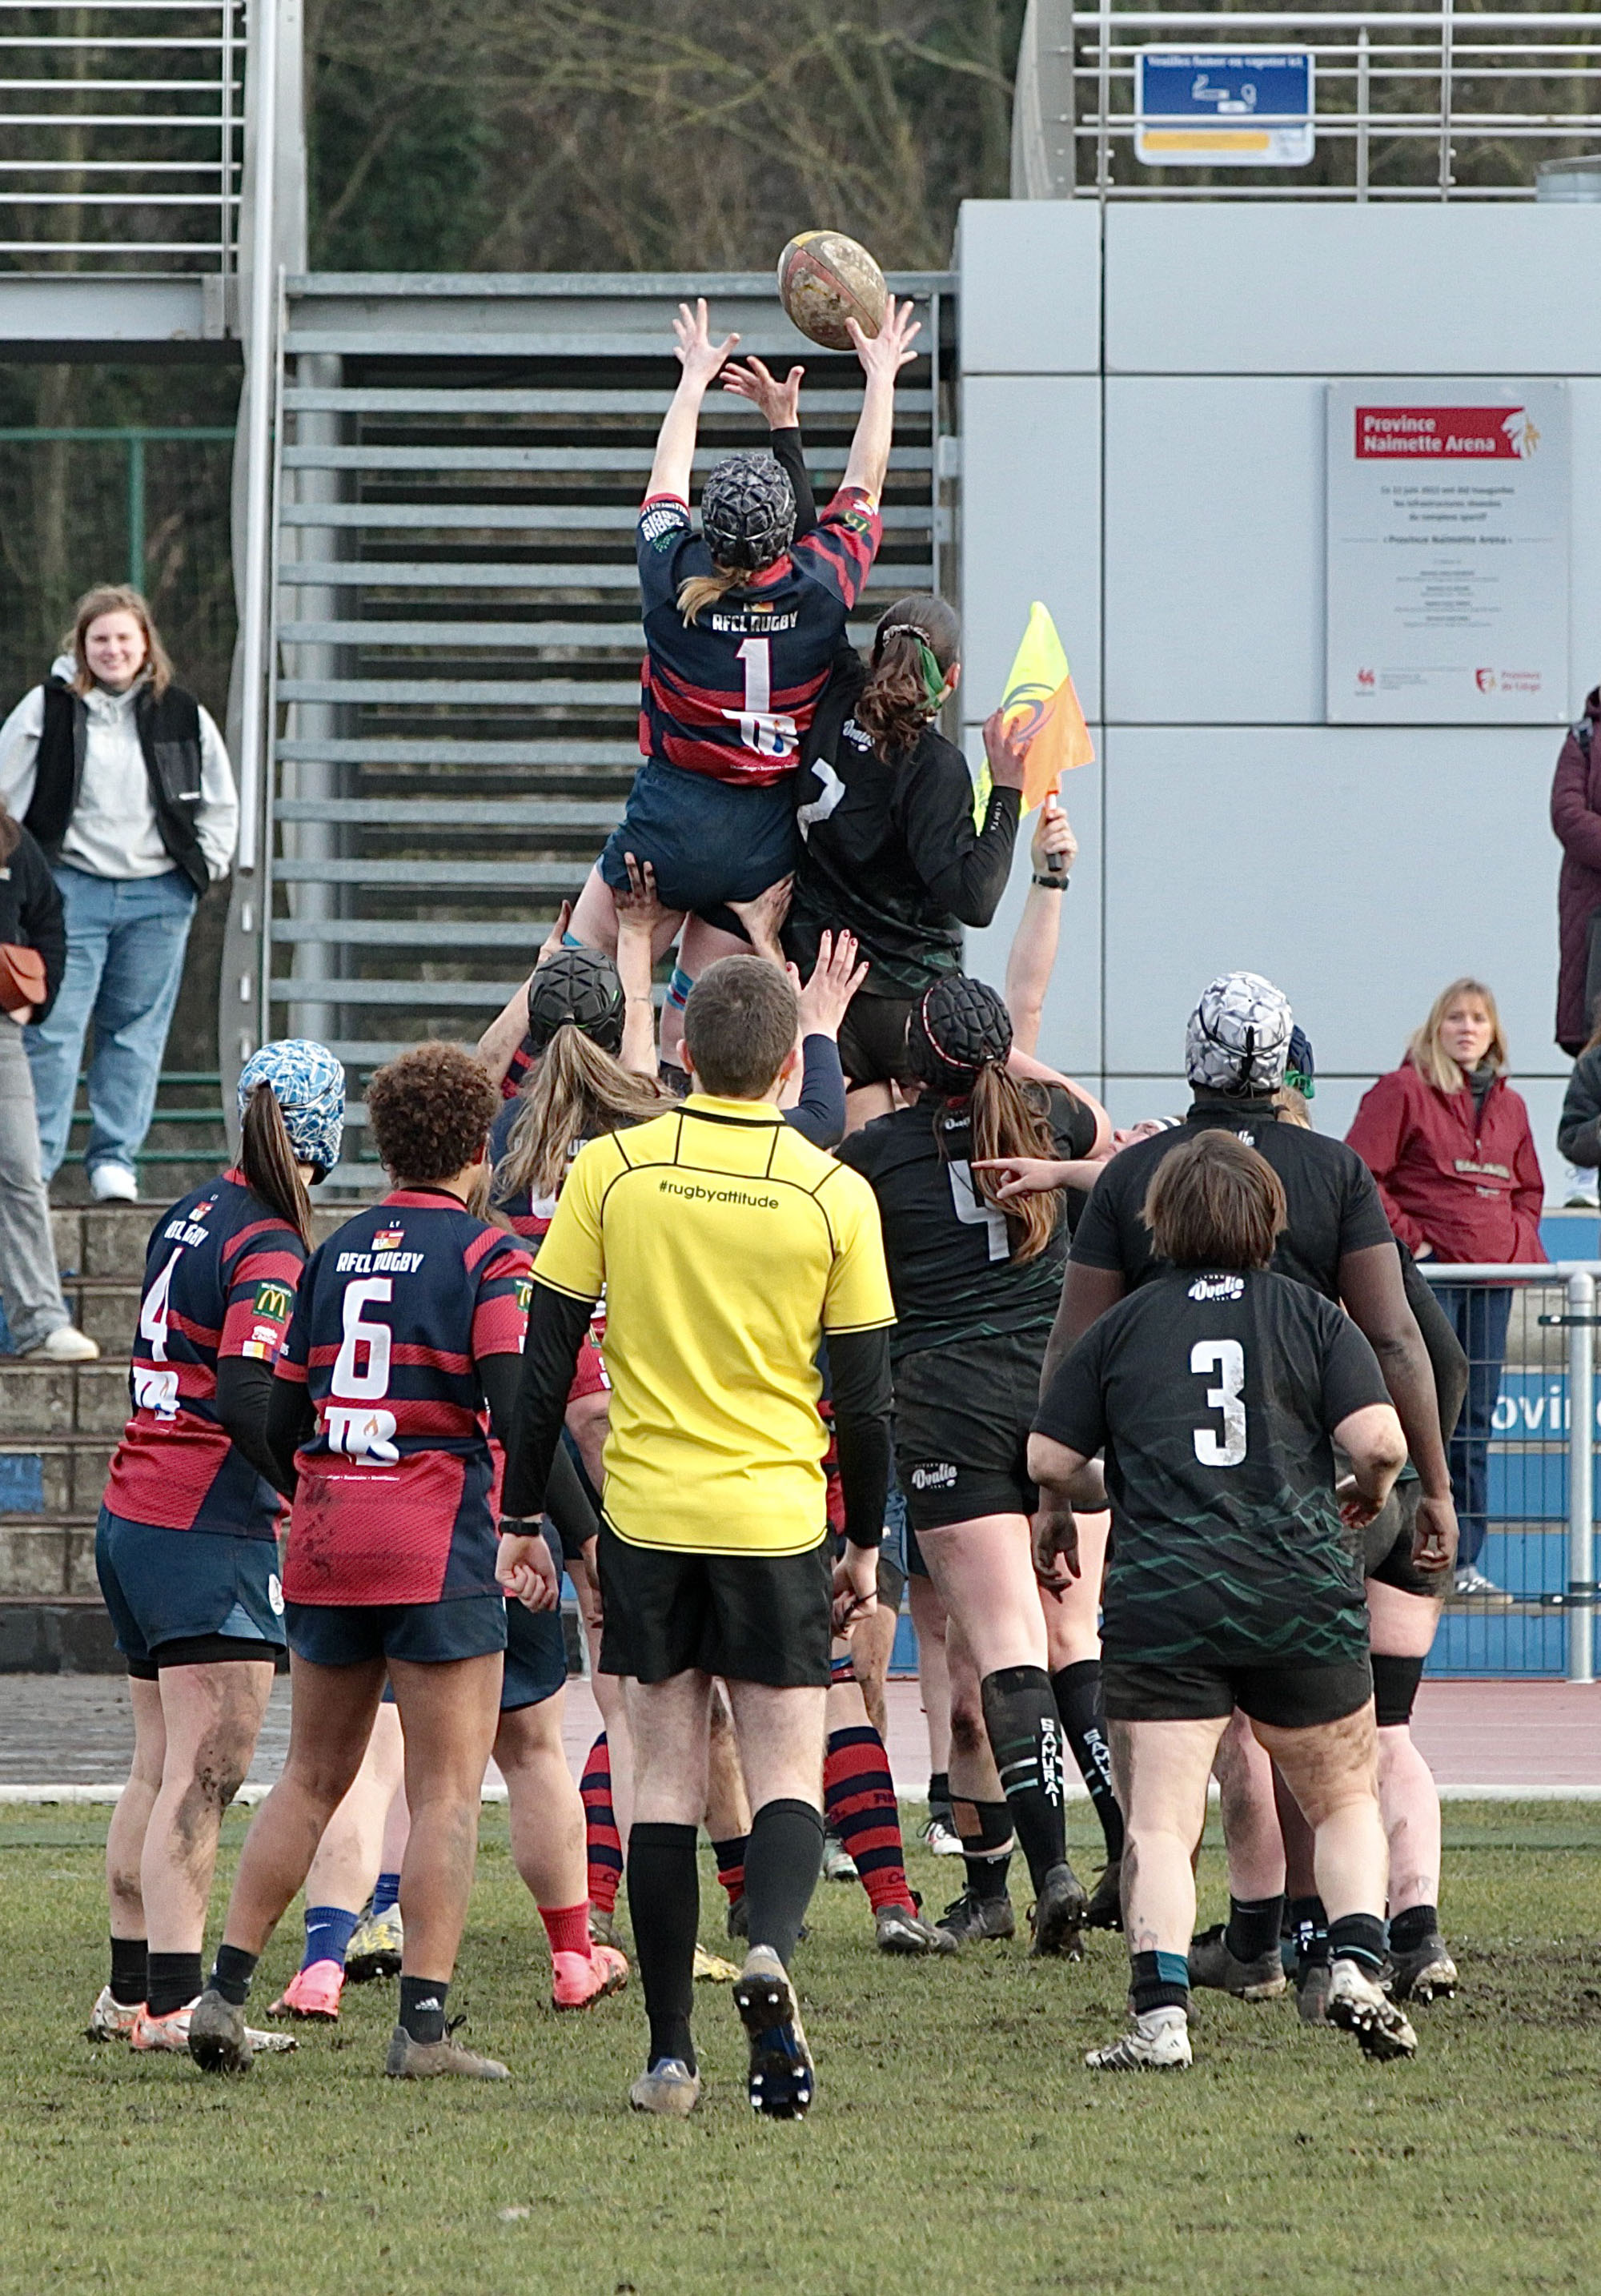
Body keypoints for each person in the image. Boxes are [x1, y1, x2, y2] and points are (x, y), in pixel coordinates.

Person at [991, 972, 1459, 1983]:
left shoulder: (1135, 1174)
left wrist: (1052, 1501)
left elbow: (1069, 1350)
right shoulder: (1331, 1174)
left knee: (1213, 1743)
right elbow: (1400, 1340)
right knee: (1333, 1729)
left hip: (1177, 1506)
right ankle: (1343, 1937)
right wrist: (1431, 1484)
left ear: (1190, 1061)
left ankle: (1246, 1938)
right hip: (1313, 1494)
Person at [500, 955, 896, 2120]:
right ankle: (766, 1946)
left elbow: (541, 1363)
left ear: (681, 1055)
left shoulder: (611, 1169)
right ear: (785, 1070)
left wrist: (522, 1515)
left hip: (646, 1517)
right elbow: (867, 1401)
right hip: (775, 1519)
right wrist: (862, 1547)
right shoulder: (832, 1191)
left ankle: (670, 2055)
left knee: (663, 1779)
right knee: (783, 1769)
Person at [186, 1043, 543, 2081]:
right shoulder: (487, 1257)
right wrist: (540, 1524)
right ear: (479, 1149)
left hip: (328, 1538)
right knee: (444, 1794)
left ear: (382, 1148)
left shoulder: (330, 1250)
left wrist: (322, 1486)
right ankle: (422, 2030)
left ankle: (222, 1992)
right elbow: (516, 1405)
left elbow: (280, 1414)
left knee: (308, 1776)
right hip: (435, 1542)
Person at [1029, 1130, 1419, 2069]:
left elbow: (1047, 1458)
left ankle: (1160, 2019)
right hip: (1297, 1593)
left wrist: (1105, 1491)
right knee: (1341, 1801)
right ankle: (1356, 1966)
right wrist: (1365, 1491)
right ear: (1269, 1218)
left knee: (1160, 1825)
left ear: (1157, 1222)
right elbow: (1380, 1443)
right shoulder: (1312, 1316)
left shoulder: (1123, 1325)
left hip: (1165, 1600)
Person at [564, 295, 918, 1062]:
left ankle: (511, 1126)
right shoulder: (821, 585)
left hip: (669, 823)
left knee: (565, 991)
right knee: (686, 1038)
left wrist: (692, 380)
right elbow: (865, 483)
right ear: (787, 535)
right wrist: (881, 376)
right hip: (759, 844)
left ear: (709, 528)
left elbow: (665, 480)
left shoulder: (672, 576)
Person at [836, 976, 1104, 1955]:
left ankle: (1049, 1874)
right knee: (1073, 1637)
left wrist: (822, 1033)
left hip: (947, 1403)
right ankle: (1125, 1853)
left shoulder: (877, 1151)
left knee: (999, 1646)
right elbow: (1100, 1125)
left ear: (912, 1062)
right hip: (1059, 1395)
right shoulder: (1050, 1122)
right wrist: (1007, 1057)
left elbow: (811, 1165)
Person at [86, 1038, 343, 2053]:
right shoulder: (270, 1242)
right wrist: (306, 1489)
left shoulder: (190, 1209)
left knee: (156, 1766)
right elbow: (244, 1395)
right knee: (205, 1773)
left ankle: (128, 1991)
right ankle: (173, 2004)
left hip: (134, 1510)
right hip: (201, 1525)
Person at [0, 585, 238, 1199]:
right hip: (68, 892)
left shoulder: (182, 712)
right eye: (100, 639)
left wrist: (204, 867)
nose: (113, 650)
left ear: (145, 644)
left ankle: (114, 1161)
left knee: (135, 1033)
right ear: (81, 646)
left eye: (124, 638)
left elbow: (219, 799)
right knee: (52, 1030)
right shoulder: (47, 708)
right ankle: (35, 1162)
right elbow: (6, 793)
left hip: (158, 896)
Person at [782, 593, 1025, 1110]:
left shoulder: (832, 692)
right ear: (952, 677)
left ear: (875, 657)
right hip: (908, 1012)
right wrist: (1007, 790)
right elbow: (975, 899)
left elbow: (815, 599)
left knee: (829, 1145)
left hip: (820, 989)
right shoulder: (935, 766)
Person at [1346, 978, 1544, 1601]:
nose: (1467, 1029)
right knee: (1421, 1415)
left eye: (1479, 1019)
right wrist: (1414, 1243)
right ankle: (1401, 1556)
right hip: (1431, 1282)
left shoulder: (1513, 1105)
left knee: (1476, 1423)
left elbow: (1529, 1188)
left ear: (1494, 1033)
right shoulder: (1402, 1090)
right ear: (1437, 1026)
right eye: (1456, 1017)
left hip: (1491, 1281)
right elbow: (1360, 1174)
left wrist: (1515, 1243)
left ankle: (1464, 1561)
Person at [0, 796, 96, 1362]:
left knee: (20, 1169)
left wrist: (35, 1000)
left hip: (2, 1034)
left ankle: (40, 1322)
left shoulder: (12, 840)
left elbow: (49, 920)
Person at [1550, 684, 1601, 1198]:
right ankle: (1590, 1165)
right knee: (1598, 1036)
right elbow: (1567, 815)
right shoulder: (1586, 736)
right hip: (1597, 917)